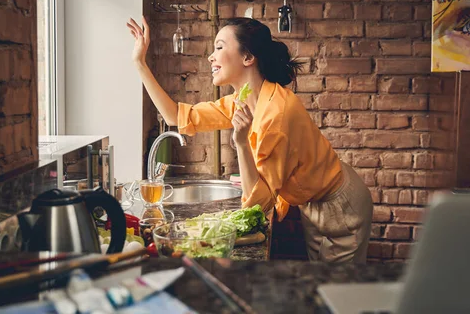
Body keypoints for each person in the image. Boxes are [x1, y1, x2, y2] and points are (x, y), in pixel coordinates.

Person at [126, 16, 373, 263]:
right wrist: (140, 64)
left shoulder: (276, 115)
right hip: (312, 203)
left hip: (340, 203)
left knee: (338, 287)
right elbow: (177, 116)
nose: (211, 56)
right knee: (322, 284)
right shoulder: (241, 101)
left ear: (248, 57)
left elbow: (259, 203)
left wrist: (241, 144)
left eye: (220, 47)